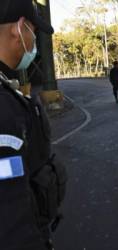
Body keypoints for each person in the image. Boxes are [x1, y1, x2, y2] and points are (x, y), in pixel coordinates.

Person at [0, 1, 67, 249]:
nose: (34, 41)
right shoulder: (5, 110)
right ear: (19, 28)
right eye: (33, 31)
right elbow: (10, 211)